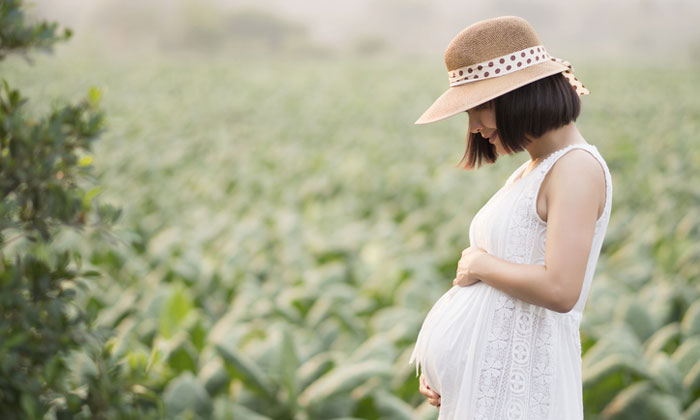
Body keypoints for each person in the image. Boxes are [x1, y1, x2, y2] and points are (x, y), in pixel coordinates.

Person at [407, 16, 613, 420]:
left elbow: (560, 289)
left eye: (479, 108)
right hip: (487, 391)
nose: (475, 127)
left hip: (522, 390)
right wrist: (452, 368)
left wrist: (479, 264)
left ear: (521, 94)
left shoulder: (576, 168)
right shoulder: (535, 169)